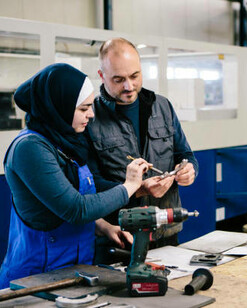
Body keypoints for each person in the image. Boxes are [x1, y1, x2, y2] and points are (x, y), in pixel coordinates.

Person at [0, 63, 149, 289]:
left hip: (75, 272)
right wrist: (128, 187)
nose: (91, 114)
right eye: (83, 108)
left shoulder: (67, 140)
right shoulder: (30, 148)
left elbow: (77, 191)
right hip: (34, 278)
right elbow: (76, 209)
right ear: (58, 106)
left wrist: (104, 227)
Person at [86, 38, 198, 248]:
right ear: (101, 76)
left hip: (166, 231)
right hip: (119, 235)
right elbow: (89, 183)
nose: (129, 86)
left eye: (134, 76)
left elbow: (185, 155)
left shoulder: (163, 106)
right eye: (118, 80)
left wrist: (189, 170)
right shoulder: (90, 117)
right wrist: (137, 189)